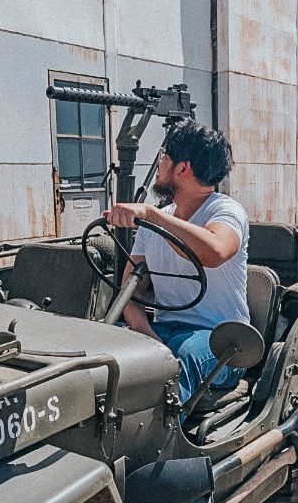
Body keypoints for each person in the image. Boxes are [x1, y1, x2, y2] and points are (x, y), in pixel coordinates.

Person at [104, 119, 249, 406]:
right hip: (162, 330)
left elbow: (214, 252)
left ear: (182, 169)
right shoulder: (156, 220)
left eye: (163, 157)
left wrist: (151, 215)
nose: (158, 164)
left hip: (222, 341)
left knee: (183, 360)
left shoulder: (226, 211)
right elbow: (130, 291)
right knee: (104, 349)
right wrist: (146, 334)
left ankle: (161, 435)